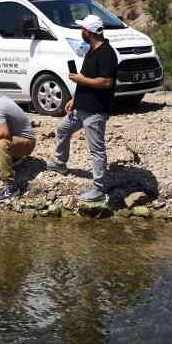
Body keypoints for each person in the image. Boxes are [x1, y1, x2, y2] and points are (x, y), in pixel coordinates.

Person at [47, 14, 119, 203]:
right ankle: (60, 163)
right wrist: (74, 99)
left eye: (83, 30)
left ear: (89, 32)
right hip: (81, 107)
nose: (81, 32)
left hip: (95, 110)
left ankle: (99, 188)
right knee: (62, 129)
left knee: (96, 150)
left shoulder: (107, 53)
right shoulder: (92, 50)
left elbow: (105, 82)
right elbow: (86, 79)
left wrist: (80, 79)